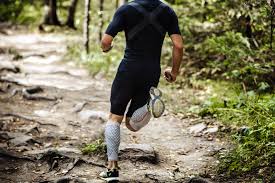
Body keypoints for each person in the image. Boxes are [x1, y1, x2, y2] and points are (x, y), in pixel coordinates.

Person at [100, 0, 183, 181]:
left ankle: (112, 169)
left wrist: (107, 48)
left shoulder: (126, 9)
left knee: (115, 118)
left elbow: (106, 41)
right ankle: (149, 106)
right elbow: (178, 45)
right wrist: (174, 72)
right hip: (152, 71)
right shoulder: (168, 11)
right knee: (132, 124)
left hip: (129, 69)